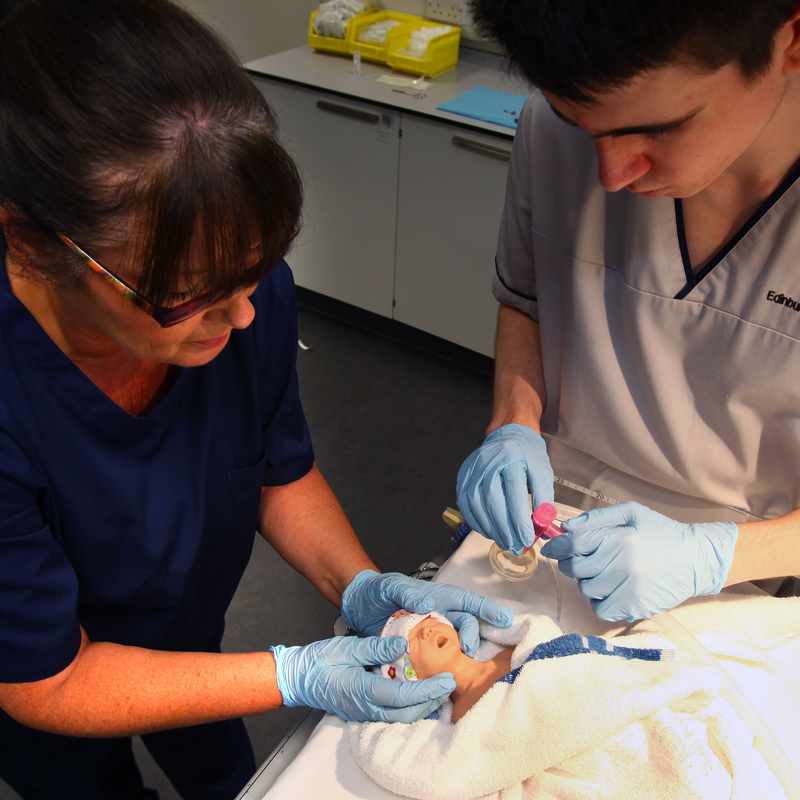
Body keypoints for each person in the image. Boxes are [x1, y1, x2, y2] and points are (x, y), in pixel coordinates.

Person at [0, 1, 512, 798]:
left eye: (256, 272)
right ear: (32, 244)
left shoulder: (238, 298)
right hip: (46, 676)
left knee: (231, 773)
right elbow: (50, 682)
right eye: (187, 295)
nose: (240, 317)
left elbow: (275, 467)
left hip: (190, 631)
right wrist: (296, 673)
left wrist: (361, 589)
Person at [456, 0, 800, 623]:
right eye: (583, 127)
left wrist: (712, 556)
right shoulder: (550, 126)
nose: (612, 176)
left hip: (745, 572)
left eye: (660, 129)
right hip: (554, 524)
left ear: (790, 39)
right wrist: (513, 422)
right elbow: (527, 298)